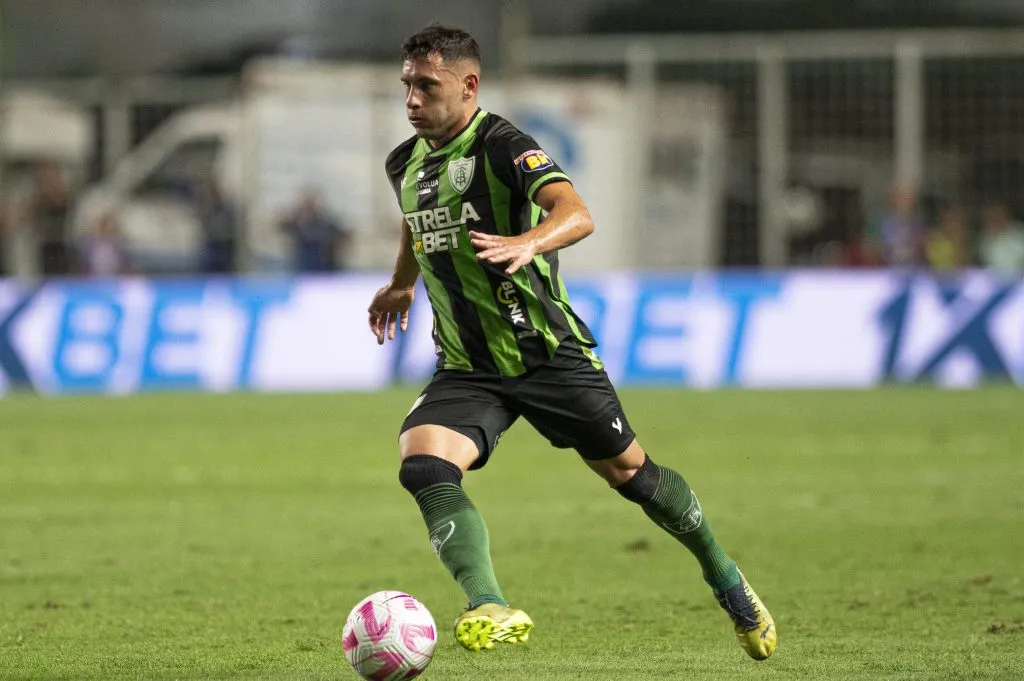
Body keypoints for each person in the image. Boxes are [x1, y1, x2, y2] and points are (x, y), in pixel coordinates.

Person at [366, 24, 776, 660]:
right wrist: (400, 283)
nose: (413, 100)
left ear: (468, 85)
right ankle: (488, 603)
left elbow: (576, 211)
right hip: (467, 366)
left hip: (546, 353)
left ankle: (725, 577)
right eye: (406, 87)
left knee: (633, 476)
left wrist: (529, 241)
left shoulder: (504, 145)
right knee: (422, 464)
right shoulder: (404, 161)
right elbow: (417, 220)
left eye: (427, 86)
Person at [279, 187, 352, 273]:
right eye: (306, 204)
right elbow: (281, 226)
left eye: (311, 204)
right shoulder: (297, 221)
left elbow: (344, 236)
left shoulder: (327, 222)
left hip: (324, 269)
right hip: (302, 267)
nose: (309, 207)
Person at [978, 201, 1024, 275]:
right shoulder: (984, 239)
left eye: (998, 214)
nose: (995, 218)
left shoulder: (1019, 233)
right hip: (995, 280)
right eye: (992, 216)